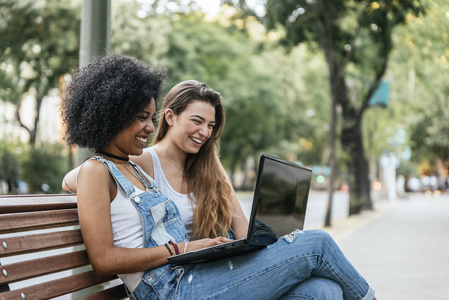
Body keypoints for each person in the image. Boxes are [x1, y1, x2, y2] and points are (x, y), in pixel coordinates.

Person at [62, 54, 376, 300]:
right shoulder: (98, 170)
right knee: (317, 243)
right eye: (141, 117)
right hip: (170, 290)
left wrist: (205, 248)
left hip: (190, 277)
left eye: (150, 117)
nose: (148, 126)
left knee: (324, 292)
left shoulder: (132, 170)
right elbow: (103, 260)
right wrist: (185, 248)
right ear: (112, 114)